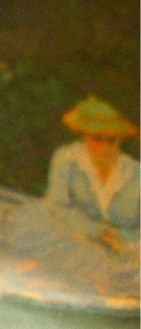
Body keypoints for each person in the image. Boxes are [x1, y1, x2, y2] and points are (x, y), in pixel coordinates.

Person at [45, 96, 139, 254]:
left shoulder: (135, 174)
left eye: (112, 140)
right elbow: (58, 206)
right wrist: (97, 232)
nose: (104, 147)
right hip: (70, 244)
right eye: (97, 138)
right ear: (85, 135)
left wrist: (123, 239)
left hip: (123, 253)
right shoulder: (68, 160)